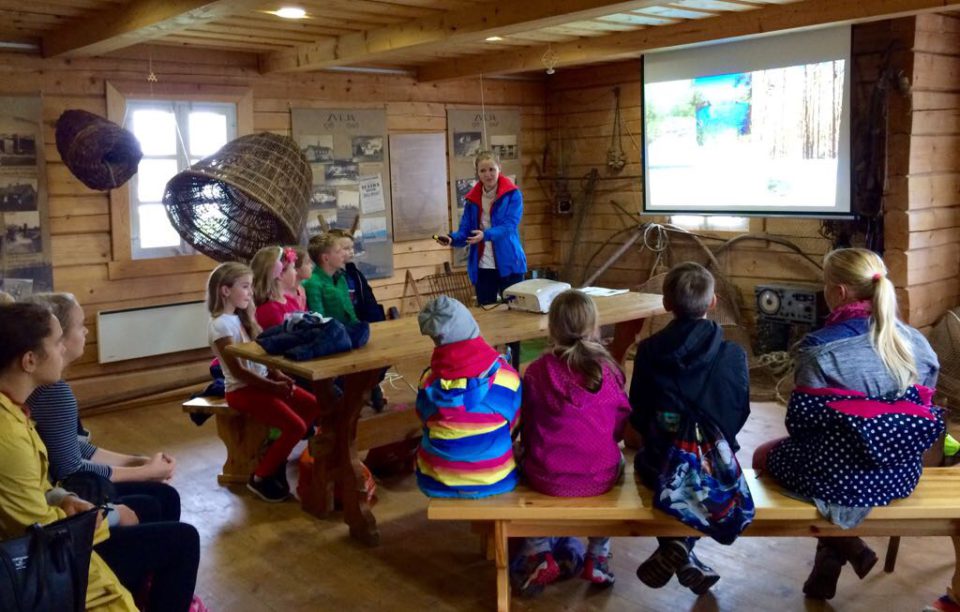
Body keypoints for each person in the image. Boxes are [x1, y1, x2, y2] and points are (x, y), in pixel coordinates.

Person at [753, 248, 941, 601]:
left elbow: (801, 426)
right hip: (900, 473)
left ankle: (842, 543)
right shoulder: (919, 344)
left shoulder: (819, 348)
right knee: (841, 461)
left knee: (764, 454)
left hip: (837, 477)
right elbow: (920, 412)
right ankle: (836, 552)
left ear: (838, 292)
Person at [0, 302, 138, 611]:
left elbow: (33, 487)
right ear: (30, 360)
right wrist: (101, 520)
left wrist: (61, 498)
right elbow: (39, 533)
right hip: (38, 572)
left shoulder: (14, 410)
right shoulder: (6, 434)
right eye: (56, 342)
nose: (63, 348)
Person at [629, 262, 750, 595]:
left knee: (658, 466)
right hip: (716, 466)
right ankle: (683, 552)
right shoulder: (733, 354)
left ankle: (679, 548)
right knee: (692, 473)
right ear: (713, 302)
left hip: (661, 464)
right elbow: (740, 413)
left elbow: (639, 414)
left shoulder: (648, 351)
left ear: (666, 303)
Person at [24, 293, 179, 524]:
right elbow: (71, 469)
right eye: (80, 326)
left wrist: (134, 461)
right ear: (60, 339)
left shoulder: (51, 387)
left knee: (160, 494)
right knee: (163, 498)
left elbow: (68, 445)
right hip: (65, 491)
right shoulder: (53, 391)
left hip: (61, 486)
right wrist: (146, 472)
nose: (86, 331)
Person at [516, 289, 630, 596]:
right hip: (600, 476)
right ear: (594, 326)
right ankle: (598, 556)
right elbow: (620, 424)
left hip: (547, 475)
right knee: (620, 464)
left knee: (521, 465)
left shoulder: (537, 372)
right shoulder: (609, 371)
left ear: (552, 328)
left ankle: (539, 551)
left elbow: (529, 423)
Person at [206, 262, 323, 502]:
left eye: (250, 287)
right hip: (242, 390)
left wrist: (276, 374)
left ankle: (274, 455)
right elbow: (239, 372)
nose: (250, 292)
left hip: (262, 383)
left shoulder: (240, 318)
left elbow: (261, 355)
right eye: (245, 287)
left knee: (313, 405)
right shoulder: (220, 325)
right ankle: (261, 477)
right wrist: (273, 387)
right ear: (225, 290)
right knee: (296, 426)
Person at [414, 295, 521, 498]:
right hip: (495, 479)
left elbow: (423, 418)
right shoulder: (506, 377)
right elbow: (513, 422)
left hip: (437, 481)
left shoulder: (428, 381)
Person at [434, 150, 527, 367]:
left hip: (510, 265)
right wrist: (451, 239)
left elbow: (509, 226)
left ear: (499, 169)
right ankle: (489, 368)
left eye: (491, 169)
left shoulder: (513, 195)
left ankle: (513, 367)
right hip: (484, 266)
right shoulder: (472, 199)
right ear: (477, 173)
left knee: (515, 320)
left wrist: (486, 235)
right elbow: (466, 231)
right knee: (485, 318)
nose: (488, 174)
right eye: (483, 170)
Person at [304, 233, 356, 323]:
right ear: (326, 258)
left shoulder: (340, 277)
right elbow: (320, 320)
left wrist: (358, 326)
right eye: (338, 251)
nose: (343, 254)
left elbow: (350, 311)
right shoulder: (312, 283)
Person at [251, 245, 302, 331]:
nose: (296, 272)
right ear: (280, 274)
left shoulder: (290, 300)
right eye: (293, 268)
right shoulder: (270, 310)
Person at [289, 245, 311, 311]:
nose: (311, 266)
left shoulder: (301, 289)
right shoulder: (285, 293)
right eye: (307, 263)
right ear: (296, 268)